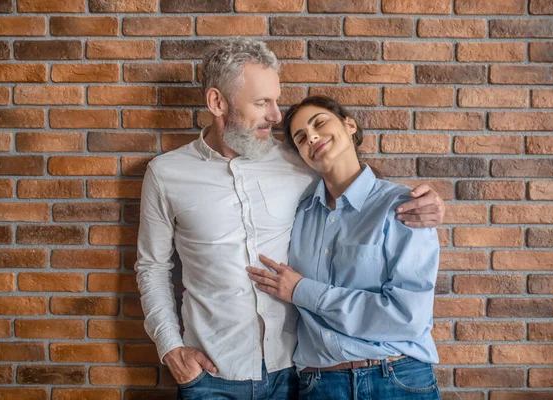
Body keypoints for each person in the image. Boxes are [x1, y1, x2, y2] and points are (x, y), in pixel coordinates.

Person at [134, 38, 445, 400]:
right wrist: (171, 349)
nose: (276, 116)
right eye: (262, 102)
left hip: (294, 374)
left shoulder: (300, 162)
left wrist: (432, 203)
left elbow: (353, 183)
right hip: (212, 373)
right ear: (217, 102)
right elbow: (152, 267)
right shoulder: (166, 173)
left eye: (276, 100)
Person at [247, 96, 441, 399]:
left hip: (395, 378)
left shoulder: (403, 207)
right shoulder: (297, 216)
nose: (311, 136)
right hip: (319, 385)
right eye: (300, 138)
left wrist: (302, 291)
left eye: (319, 123)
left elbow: (408, 317)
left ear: (349, 125)